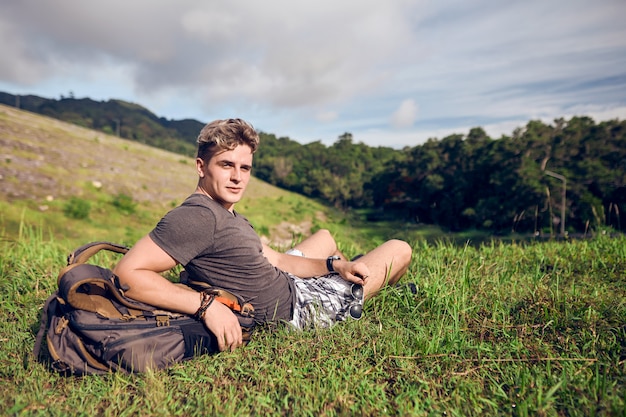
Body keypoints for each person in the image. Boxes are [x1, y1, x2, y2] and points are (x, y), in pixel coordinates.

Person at [114, 118, 413, 352]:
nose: (237, 177)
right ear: (200, 167)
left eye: (245, 168)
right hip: (299, 309)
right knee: (400, 249)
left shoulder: (223, 211)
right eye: (226, 165)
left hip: (285, 279)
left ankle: (345, 277)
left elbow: (278, 259)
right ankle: (366, 292)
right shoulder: (198, 216)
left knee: (324, 237)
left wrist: (336, 266)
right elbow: (127, 274)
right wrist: (206, 308)